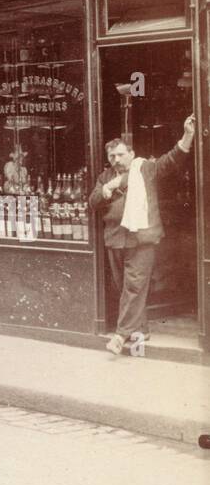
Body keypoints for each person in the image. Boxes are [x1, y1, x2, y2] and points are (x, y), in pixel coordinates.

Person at [89, 115, 196, 356]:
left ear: (131, 153)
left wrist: (187, 135)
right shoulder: (105, 177)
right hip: (115, 240)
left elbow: (170, 161)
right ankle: (141, 330)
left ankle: (120, 336)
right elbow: (92, 202)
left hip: (142, 240)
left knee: (134, 287)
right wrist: (107, 189)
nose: (116, 159)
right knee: (125, 287)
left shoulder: (144, 168)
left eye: (120, 154)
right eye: (112, 156)